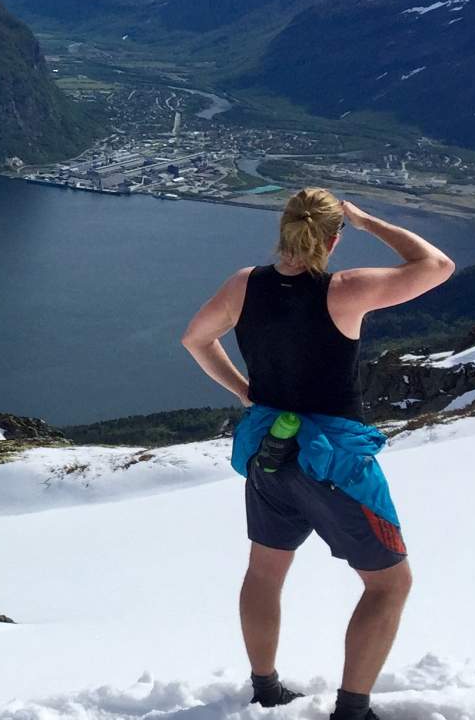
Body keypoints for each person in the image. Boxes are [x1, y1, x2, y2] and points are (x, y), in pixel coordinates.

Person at [180, 187, 454, 720]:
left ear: (283, 228)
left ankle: (265, 689)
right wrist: (369, 222)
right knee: (389, 584)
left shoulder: (244, 285)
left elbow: (195, 339)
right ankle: (352, 712)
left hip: (269, 452)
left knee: (264, 572)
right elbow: (436, 265)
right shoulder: (346, 291)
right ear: (332, 239)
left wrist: (246, 392)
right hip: (332, 463)